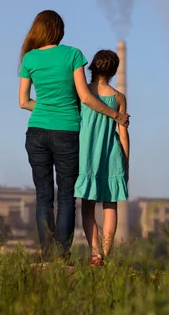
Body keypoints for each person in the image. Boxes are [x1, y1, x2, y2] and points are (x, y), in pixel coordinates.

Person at [18, 10, 130, 262]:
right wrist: (115, 114)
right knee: (66, 195)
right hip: (66, 132)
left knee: (44, 196)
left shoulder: (29, 58)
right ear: (59, 31)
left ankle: (48, 254)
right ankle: (61, 254)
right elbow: (86, 97)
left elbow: (23, 102)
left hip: (36, 132)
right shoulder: (72, 55)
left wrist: (47, 107)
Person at [74, 49, 130, 267]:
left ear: (92, 68)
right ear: (114, 70)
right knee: (110, 207)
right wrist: (125, 163)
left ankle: (95, 252)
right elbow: (123, 135)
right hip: (111, 155)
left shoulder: (82, 93)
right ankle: (106, 254)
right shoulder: (118, 98)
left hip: (86, 156)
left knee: (87, 208)